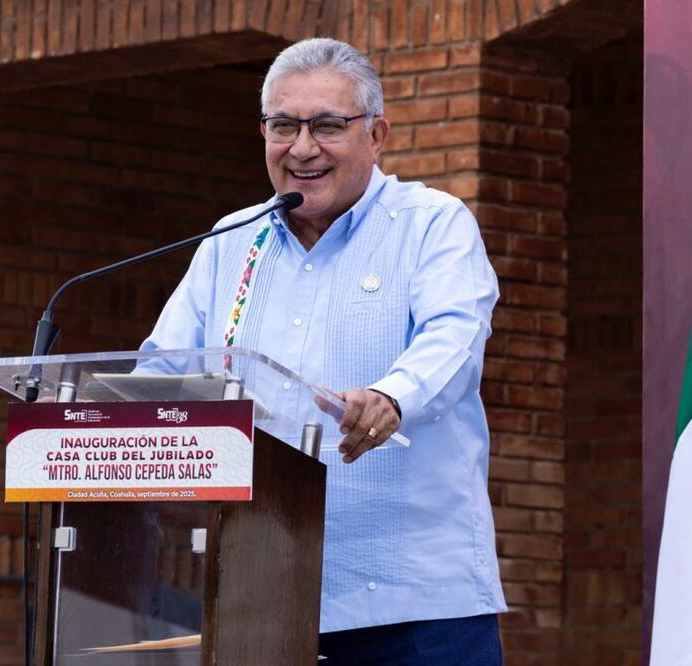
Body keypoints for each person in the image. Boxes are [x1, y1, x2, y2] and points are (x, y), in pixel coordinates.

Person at [141, 37, 506, 664]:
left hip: (412, 610)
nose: (302, 147)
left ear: (377, 134)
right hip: (261, 599)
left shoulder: (432, 225)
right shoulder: (231, 243)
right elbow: (159, 374)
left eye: (328, 126)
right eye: (283, 125)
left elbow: (454, 341)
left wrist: (392, 396)